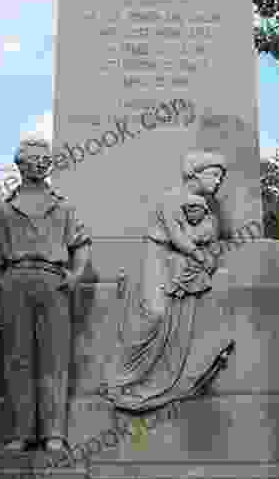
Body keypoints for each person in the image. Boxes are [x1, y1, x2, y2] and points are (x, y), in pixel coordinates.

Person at [100, 150, 236, 414]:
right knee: (153, 313)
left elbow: (209, 236)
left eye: (221, 177)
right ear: (196, 174)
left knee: (176, 323)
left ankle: (160, 378)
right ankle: (120, 379)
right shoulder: (171, 200)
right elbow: (176, 236)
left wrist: (203, 251)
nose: (218, 182)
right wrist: (198, 253)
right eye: (215, 175)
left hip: (182, 265)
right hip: (157, 256)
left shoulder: (206, 210)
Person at [0, 137, 91, 453]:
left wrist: (76, 275)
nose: (43, 162)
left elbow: (81, 243)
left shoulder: (63, 207)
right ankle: (22, 433)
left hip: (53, 281)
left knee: (55, 359)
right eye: (35, 157)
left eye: (47, 158)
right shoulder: (1, 210)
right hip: (14, 281)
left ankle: (55, 433)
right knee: (18, 360)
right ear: (20, 163)